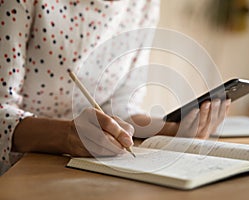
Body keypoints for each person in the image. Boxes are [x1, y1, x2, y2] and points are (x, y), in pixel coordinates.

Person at [0, 0, 230, 175]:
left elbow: (120, 108)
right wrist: (67, 136)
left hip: (86, 173)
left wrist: (172, 131)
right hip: (19, 174)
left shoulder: (143, 4)